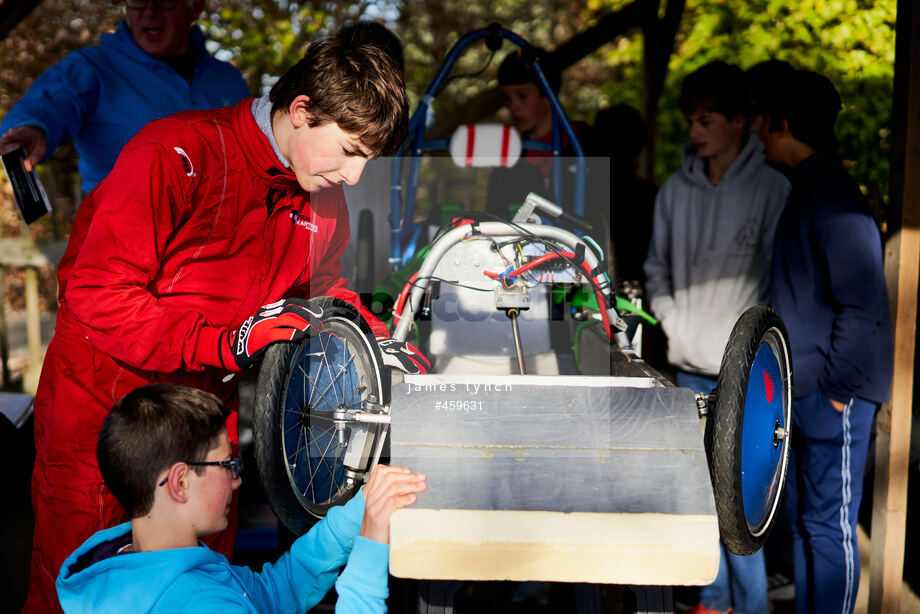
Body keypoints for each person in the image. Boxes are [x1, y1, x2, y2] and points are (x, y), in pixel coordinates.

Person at [25, 37, 428, 613]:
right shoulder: (176, 152)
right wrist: (226, 340)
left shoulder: (322, 191)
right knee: (82, 591)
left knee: (213, 585)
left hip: (203, 418)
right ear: (300, 111)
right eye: (348, 150)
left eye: (369, 159)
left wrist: (376, 339)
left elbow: (320, 291)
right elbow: (96, 295)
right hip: (107, 413)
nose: (356, 175)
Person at [55, 383, 426, 612]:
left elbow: (268, 595)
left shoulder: (130, 563)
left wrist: (362, 507)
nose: (236, 480)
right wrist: (372, 543)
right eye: (226, 464)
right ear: (180, 482)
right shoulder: (199, 603)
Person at [643, 61, 790, 614]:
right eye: (690, 118)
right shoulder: (673, 192)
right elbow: (655, 268)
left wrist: (760, 351)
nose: (695, 129)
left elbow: (782, 278)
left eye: (706, 118)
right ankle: (710, 602)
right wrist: (673, 319)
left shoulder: (774, 188)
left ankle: (751, 608)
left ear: (741, 121)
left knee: (744, 505)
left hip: (749, 372)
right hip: (687, 364)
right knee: (698, 501)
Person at [754, 68, 892, 614]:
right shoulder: (810, 188)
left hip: (832, 394)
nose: (757, 133)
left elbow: (863, 308)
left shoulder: (834, 199)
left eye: (762, 122)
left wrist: (836, 393)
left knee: (828, 526)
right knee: (809, 525)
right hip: (805, 387)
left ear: (782, 124)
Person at [0, 0, 249, 198]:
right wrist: (30, 128)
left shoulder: (228, 79)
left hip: (216, 247)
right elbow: (45, 104)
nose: (150, 11)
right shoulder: (94, 67)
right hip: (120, 244)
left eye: (165, 1)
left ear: (195, 7)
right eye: (138, 0)